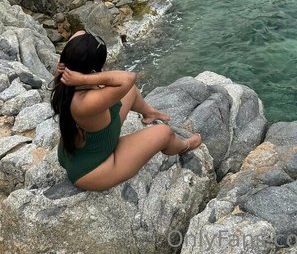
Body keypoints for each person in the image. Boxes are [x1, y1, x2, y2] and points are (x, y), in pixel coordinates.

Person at [51, 31, 201, 191]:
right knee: (165, 133)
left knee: (130, 91)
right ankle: (185, 146)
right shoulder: (84, 102)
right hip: (91, 170)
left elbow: (80, 34)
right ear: (93, 72)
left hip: (82, 146)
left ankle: (149, 113)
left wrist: (65, 63)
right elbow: (128, 78)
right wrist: (84, 78)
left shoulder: (63, 82)